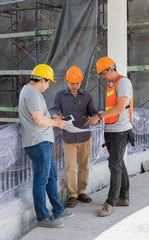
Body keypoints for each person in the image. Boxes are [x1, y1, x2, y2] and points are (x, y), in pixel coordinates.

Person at [18, 64, 74, 228]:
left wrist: (55, 118)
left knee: (51, 177)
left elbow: (42, 117)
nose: (48, 85)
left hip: (41, 142)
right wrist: (56, 122)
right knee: (41, 180)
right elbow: (39, 120)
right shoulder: (32, 93)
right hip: (38, 142)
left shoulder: (28, 91)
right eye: (48, 82)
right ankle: (43, 217)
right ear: (42, 80)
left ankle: (58, 209)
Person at [86, 57, 134, 217]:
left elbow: (120, 107)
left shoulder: (123, 83)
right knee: (119, 164)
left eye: (104, 73)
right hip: (111, 130)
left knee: (114, 166)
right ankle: (124, 197)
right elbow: (112, 108)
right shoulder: (110, 84)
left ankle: (111, 203)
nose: (103, 76)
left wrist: (99, 116)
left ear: (112, 69)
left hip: (120, 132)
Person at [49, 66, 98, 207]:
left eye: (77, 83)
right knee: (70, 166)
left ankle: (82, 191)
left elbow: (93, 112)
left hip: (85, 136)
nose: (74, 86)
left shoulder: (87, 96)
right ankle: (72, 195)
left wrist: (96, 117)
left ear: (81, 82)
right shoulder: (59, 95)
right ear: (67, 81)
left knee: (84, 165)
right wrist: (56, 116)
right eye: (72, 83)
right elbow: (52, 109)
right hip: (68, 136)